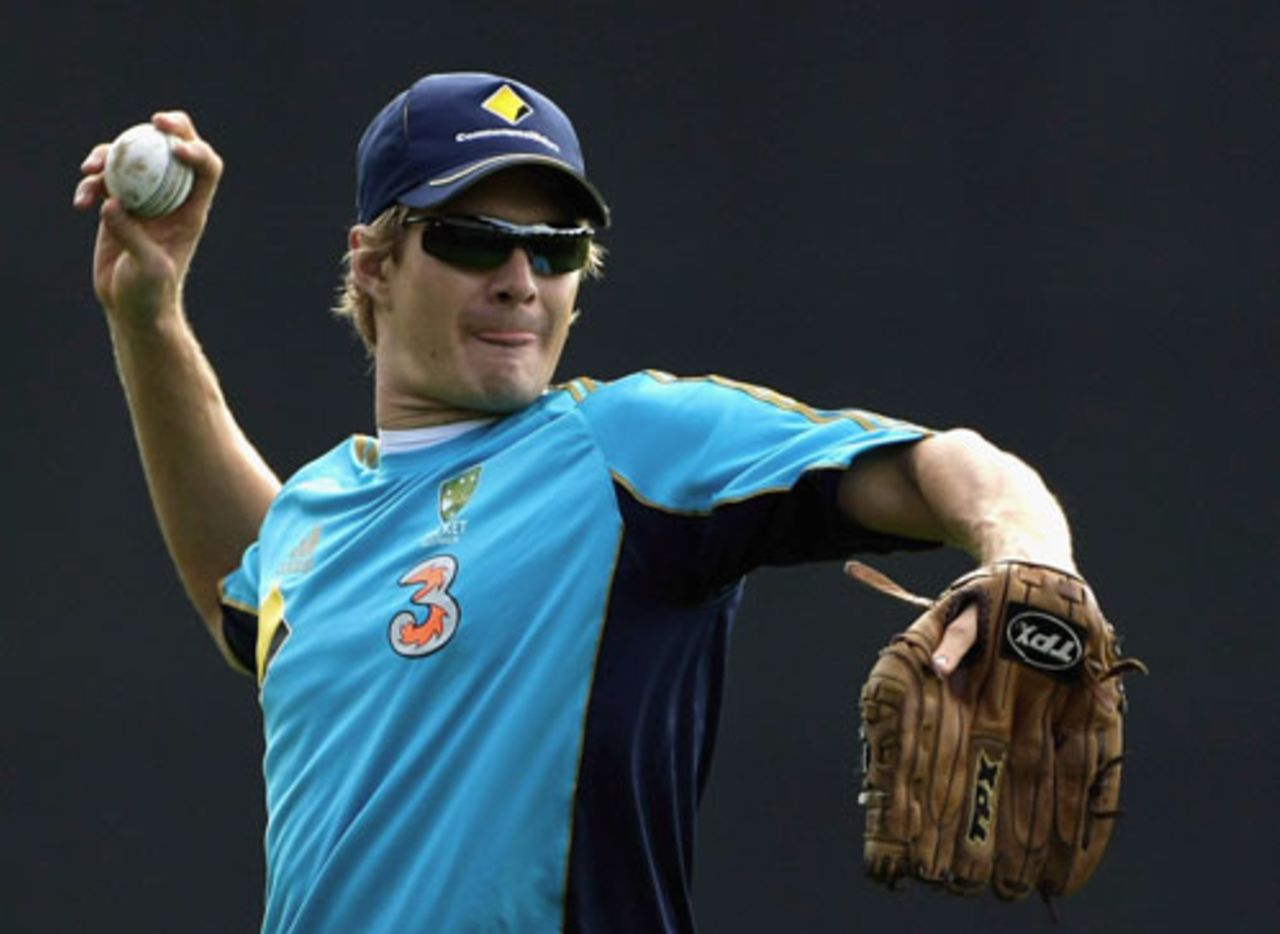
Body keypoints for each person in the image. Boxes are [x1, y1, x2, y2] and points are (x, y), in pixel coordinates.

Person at [75, 72, 1079, 932]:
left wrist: (1027, 557)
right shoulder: (321, 509)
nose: (521, 279)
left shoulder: (629, 446)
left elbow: (944, 464)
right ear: (373, 266)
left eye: (555, 248)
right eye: (473, 239)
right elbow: (244, 595)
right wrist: (148, 315)